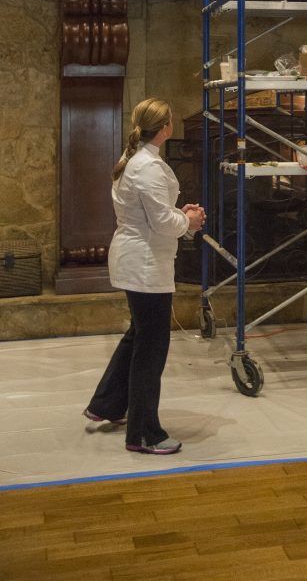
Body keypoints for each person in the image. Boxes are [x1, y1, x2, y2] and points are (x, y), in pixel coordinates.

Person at [84, 98, 205, 455]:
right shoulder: (147, 167)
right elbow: (161, 222)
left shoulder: (136, 161)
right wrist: (190, 222)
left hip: (139, 259)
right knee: (151, 348)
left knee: (139, 335)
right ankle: (144, 433)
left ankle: (106, 404)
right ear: (166, 127)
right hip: (145, 264)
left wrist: (178, 215)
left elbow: (153, 214)